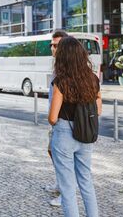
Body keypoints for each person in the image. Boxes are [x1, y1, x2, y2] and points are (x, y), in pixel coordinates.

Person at [48, 36, 102, 217]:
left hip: (64, 134)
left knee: (68, 187)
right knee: (86, 181)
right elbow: (99, 109)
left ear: (62, 56)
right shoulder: (92, 79)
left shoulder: (61, 81)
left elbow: (53, 117)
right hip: (86, 133)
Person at [45, 29, 68, 207]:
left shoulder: (67, 67)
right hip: (55, 119)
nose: (53, 48)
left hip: (63, 120)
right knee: (51, 151)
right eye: (52, 45)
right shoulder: (56, 65)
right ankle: (60, 184)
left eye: (57, 45)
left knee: (63, 158)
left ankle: (65, 194)